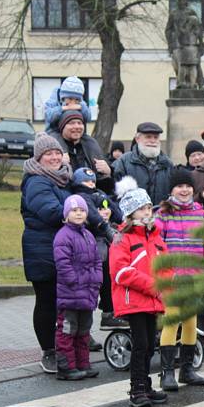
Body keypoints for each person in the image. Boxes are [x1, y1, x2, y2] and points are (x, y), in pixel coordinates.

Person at [110, 182, 168, 407]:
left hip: (153, 300)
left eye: (148, 208)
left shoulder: (155, 236)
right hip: (133, 300)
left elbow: (166, 263)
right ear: (130, 212)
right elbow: (121, 272)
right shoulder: (122, 238)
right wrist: (153, 286)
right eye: (141, 208)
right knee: (141, 344)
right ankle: (137, 389)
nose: (147, 212)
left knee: (150, 345)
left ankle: (146, 384)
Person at [155, 168, 204, 391]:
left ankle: (187, 369)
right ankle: (166, 372)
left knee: (191, 322)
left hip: (195, 278)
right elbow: (157, 247)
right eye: (179, 186)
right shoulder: (163, 214)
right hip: (172, 278)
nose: (184, 190)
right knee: (172, 320)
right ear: (172, 190)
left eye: (188, 186)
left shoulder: (201, 214)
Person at [21, 132, 73, 373]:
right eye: (48, 154)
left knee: (61, 301)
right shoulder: (36, 181)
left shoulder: (62, 179)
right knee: (46, 302)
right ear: (38, 158)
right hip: (41, 249)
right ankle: (48, 351)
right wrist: (78, 212)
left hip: (61, 248)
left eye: (56, 153)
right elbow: (52, 212)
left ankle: (64, 347)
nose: (54, 157)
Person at [53, 195, 102, 381]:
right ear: (66, 215)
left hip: (87, 292)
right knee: (67, 330)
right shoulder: (63, 236)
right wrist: (74, 281)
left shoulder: (88, 235)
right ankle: (66, 367)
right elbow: (63, 263)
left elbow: (97, 260)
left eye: (81, 210)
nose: (79, 213)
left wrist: (97, 279)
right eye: (74, 210)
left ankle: (83, 363)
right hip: (70, 293)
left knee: (83, 331)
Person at [70, 167, 124, 334]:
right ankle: (86, 328)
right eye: (86, 181)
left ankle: (109, 311)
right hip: (93, 244)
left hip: (106, 243)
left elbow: (117, 212)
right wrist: (103, 222)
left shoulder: (99, 193)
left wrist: (109, 209)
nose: (91, 184)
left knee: (110, 279)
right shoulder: (80, 197)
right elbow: (91, 214)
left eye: (93, 181)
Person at [50, 110, 113, 194]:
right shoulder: (53, 147)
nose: (77, 126)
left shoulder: (91, 145)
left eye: (80, 123)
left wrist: (108, 172)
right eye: (71, 123)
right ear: (62, 127)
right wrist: (58, 163)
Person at [112, 122, 174, 206]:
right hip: (133, 217)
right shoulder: (123, 162)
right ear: (137, 139)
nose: (152, 141)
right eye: (148, 137)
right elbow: (114, 193)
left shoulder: (167, 164)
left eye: (156, 137)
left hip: (160, 217)